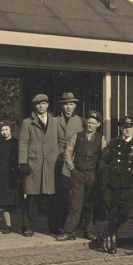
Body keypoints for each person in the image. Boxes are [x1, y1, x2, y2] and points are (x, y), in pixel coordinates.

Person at [96, 116, 133, 254]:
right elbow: (102, 162)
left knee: (124, 214)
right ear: (120, 128)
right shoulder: (113, 143)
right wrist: (108, 175)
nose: (127, 130)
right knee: (113, 214)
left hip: (130, 185)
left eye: (130, 127)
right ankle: (113, 242)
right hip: (114, 184)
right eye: (125, 127)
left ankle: (103, 235)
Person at [57, 110, 106, 241]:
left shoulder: (101, 139)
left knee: (90, 205)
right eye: (88, 122)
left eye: (93, 123)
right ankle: (69, 231)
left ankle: (88, 231)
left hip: (92, 176)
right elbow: (68, 153)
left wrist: (99, 173)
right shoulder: (77, 136)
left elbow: (104, 157)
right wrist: (72, 168)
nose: (90, 125)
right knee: (75, 204)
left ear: (98, 124)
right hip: (77, 175)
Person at [18, 93, 59, 237]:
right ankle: (29, 227)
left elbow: (60, 140)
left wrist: (57, 156)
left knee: (52, 198)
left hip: (51, 165)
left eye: (44, 103)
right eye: (38, 104)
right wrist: (23, 162)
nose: (41, 106)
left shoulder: (55, 121)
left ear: (47, 105)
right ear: (35, 106)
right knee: (32, 197)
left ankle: (54, 226)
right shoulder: (27, 122)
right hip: (33, 164)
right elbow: (23, 143)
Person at [54, 92, 85, 235]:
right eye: (66, 104)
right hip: (57, 159)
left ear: (75, 106)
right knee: (59, 194)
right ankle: (57, 224)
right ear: (62, 106)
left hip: (73, 160)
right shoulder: (54, 120)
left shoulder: (80, 121)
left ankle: (71, 225)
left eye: (71, 104)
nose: (68, 107)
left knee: (72, 194)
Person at [0, 121, 19, 234]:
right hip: (2, 176)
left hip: (14, 176)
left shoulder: (17, 143)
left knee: (15, 201)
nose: (4, 132)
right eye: (2, 130)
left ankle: (18, 224)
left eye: (6, 129)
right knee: (5, 203)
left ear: (11, 130)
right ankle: (8, 225)